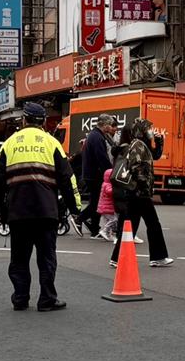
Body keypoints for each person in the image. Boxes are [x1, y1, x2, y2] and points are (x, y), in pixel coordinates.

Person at [0, 102, 78, 311]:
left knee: (19, 258)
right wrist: (75, 208)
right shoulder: (52, 143)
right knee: (46, 258)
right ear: (44, 121)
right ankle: (47, 299)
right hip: (46, 212)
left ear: (24, 120)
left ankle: (20, 298)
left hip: (18, 212)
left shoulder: (9, 144)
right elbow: (67, 178)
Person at [109, 118, 173, 268]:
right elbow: (135, 166)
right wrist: (143, 184)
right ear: (142, 130)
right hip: (139, 193)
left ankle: (117, 258)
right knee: (153, 224)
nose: (151, 130)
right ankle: (158, 257)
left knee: (131, 225)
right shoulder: (138, 145)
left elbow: (155, 155)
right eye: (149, 128)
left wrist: (159, 142)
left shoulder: (142, 144)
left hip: (136, 193)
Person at [72, 114, 116, 238]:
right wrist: (111, 172)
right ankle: (79, 219)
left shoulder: (94, 135)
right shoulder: (97, 137)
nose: (111, 127)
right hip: (94, 175)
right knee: (97, 203)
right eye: (110, 125)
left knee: (96, 200)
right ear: (105, 125)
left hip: (90, 174)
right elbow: (102, 158)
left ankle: (94, 228)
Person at [96, 168, 117, 241]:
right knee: (114, 219)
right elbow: (109, 192)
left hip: (104, 207)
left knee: (108, 221)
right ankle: (104, 231)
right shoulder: (108, 185)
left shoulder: (104, 183)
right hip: (106, 208)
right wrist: (115, 188)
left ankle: (107, 234)